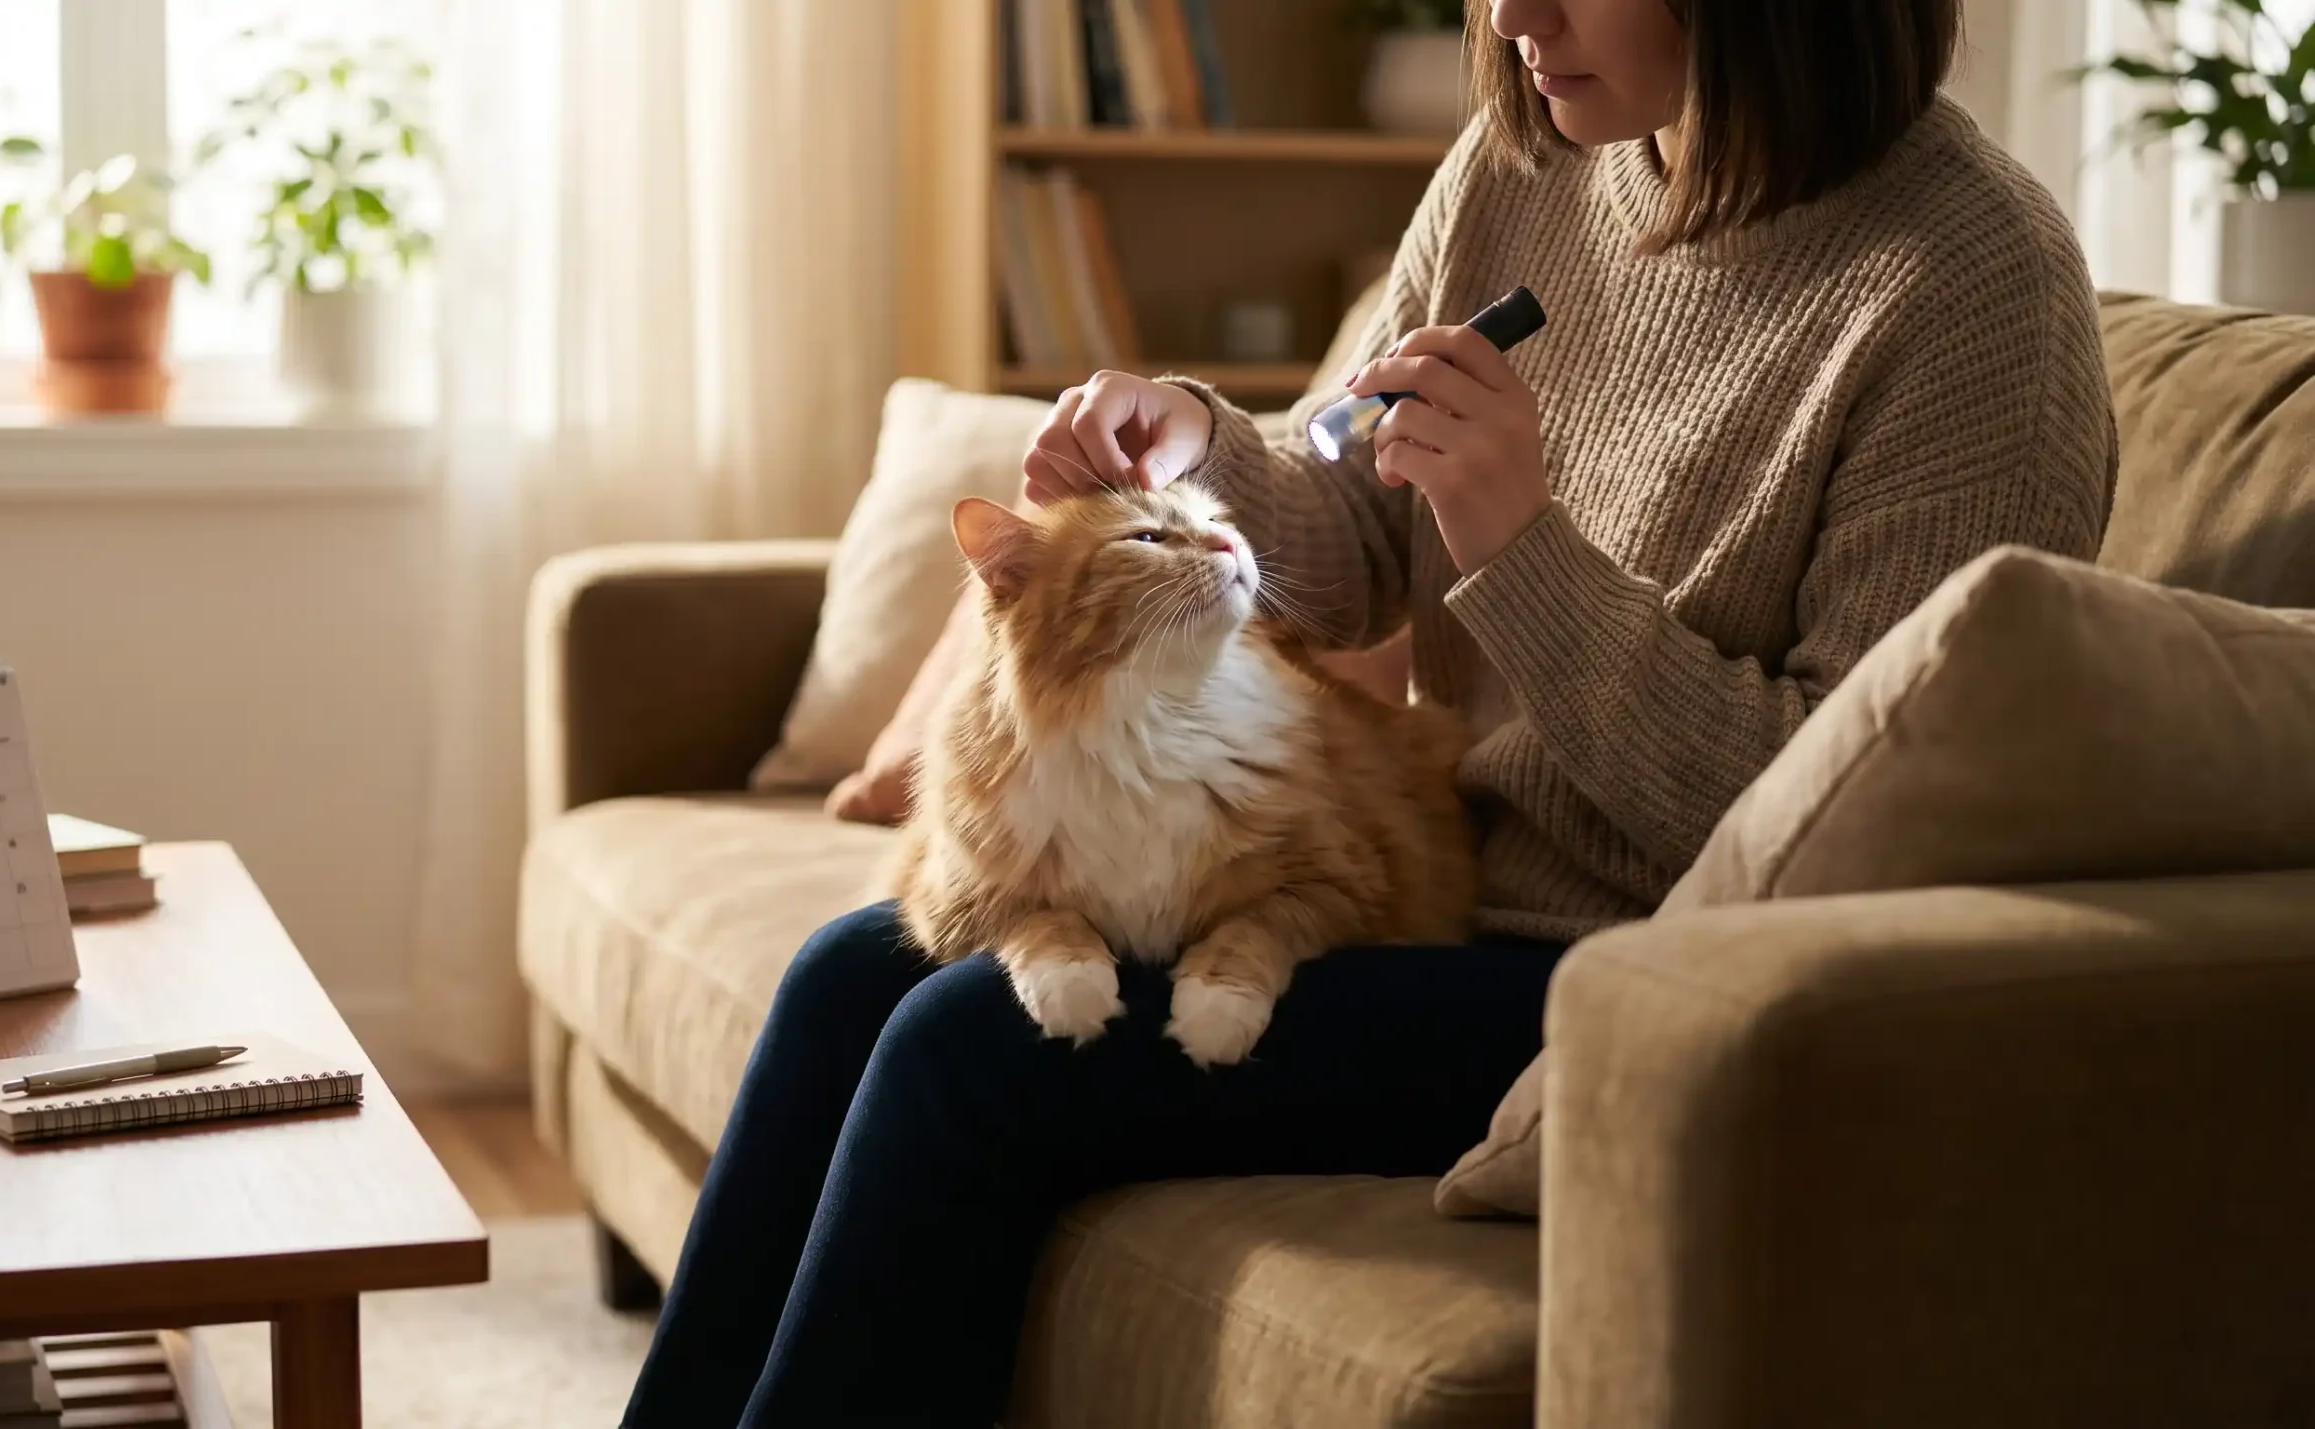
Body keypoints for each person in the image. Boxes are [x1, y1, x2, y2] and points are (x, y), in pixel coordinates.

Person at [622, 0, 2116, 1422]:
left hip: (1653, 982)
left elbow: (1845, 835)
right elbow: (1343, 538)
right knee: (847, 973)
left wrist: (1522, 551)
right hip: (1448, 897)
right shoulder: (1531, 158)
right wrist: (1206, 445)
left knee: (974, 1052)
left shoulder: (1971, 288)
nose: (1514, 19)